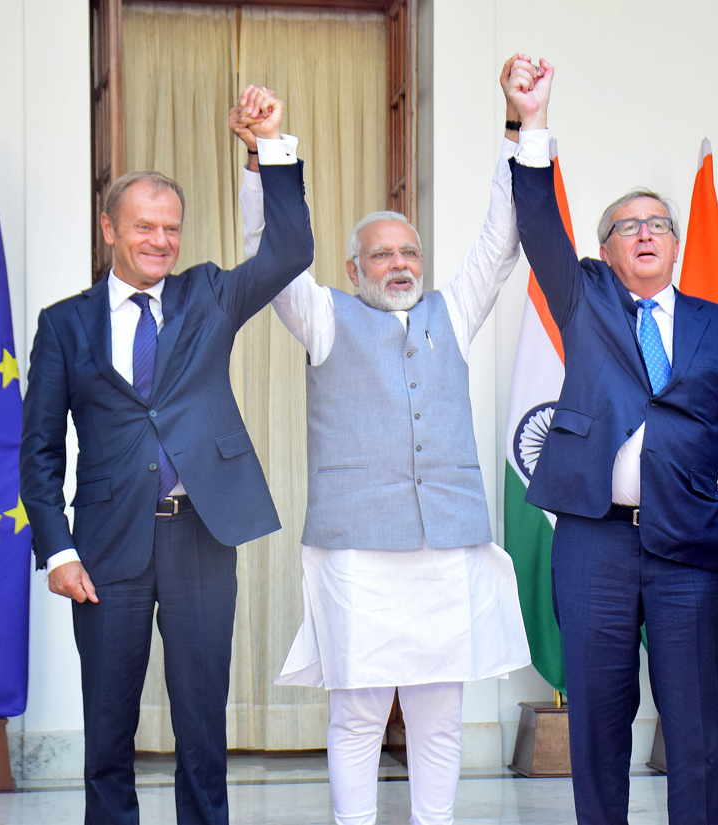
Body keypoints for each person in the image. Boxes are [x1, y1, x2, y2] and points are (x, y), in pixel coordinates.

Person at [228, 64, 532, 825]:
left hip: (447, 550)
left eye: (410, 253)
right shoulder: (323, 315)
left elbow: (501, 239)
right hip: (358, 555)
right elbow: (269, 249)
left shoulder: (451, 314)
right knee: (359, 716)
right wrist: (265, 152)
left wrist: (520, 126)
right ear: (352, 267)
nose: (401, 265)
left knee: (439, 717)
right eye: (384, 255)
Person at [504, 59, 718, 825]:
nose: (645, 232)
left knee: (696, 724)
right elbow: (537, 223)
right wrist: (531, 122)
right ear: (605, 249)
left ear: (676, 243)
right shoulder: (585, 299)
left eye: (658, 223)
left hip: (686, 546)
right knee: (597, 722)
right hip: (594, 541)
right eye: (628, 225)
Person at [20, 87, 313, 825]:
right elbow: (40, 447)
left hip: (201, 536)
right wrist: (57, 552)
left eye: (170, 229)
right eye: (144, 227)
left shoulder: (209, 295)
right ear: (109, 228)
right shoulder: (63, 326)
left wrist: (266, 148)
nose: (159, 241)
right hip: (106, 547)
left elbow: (289, 250)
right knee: (109, 735)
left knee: (202, 731)